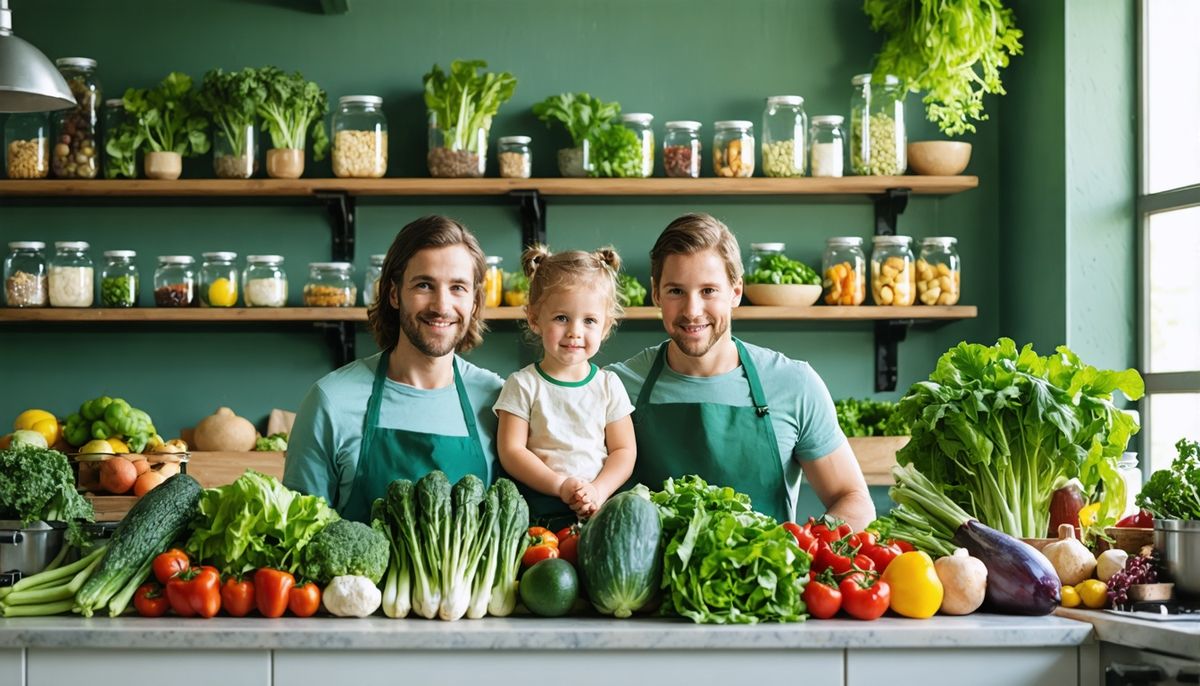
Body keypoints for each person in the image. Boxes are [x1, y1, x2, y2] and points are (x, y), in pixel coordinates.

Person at [609, 213, 876, 529]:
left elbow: (854, 499)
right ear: (656, 293)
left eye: (708, 290)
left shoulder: (794, 384)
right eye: (676, 291)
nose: (692, 311)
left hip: (764, 577)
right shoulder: (615, 387)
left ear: (735, 291)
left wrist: (799, 548)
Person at [283, 215, 504, 522]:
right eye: (424, 285)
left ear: (475, 303)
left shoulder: (500, 402)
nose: (441, 306)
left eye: (457, 288)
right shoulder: (331, 401)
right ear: (393, 294)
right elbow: (296, 535)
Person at [493, 245, 636, 528]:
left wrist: (598, 490)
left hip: (597, 512)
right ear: (534, 318)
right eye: (561, 318)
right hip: (538, 514)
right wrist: (560, 485)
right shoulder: (522, 385)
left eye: (590, 321)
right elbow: (511, 451)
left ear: (606, 327)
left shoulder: (608, 385)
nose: (575, 331)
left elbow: (624, 451)